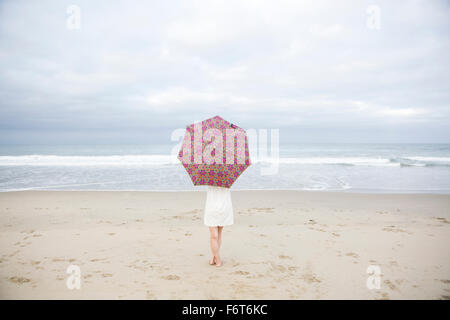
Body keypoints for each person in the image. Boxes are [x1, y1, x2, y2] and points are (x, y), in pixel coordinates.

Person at [204, 185, 233, 267]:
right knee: (214, 236)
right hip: (212, 209)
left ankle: (214, 256)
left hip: (223, 208)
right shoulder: (210, 177)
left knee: (218, 234)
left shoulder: (226, 180)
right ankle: (218, 258)